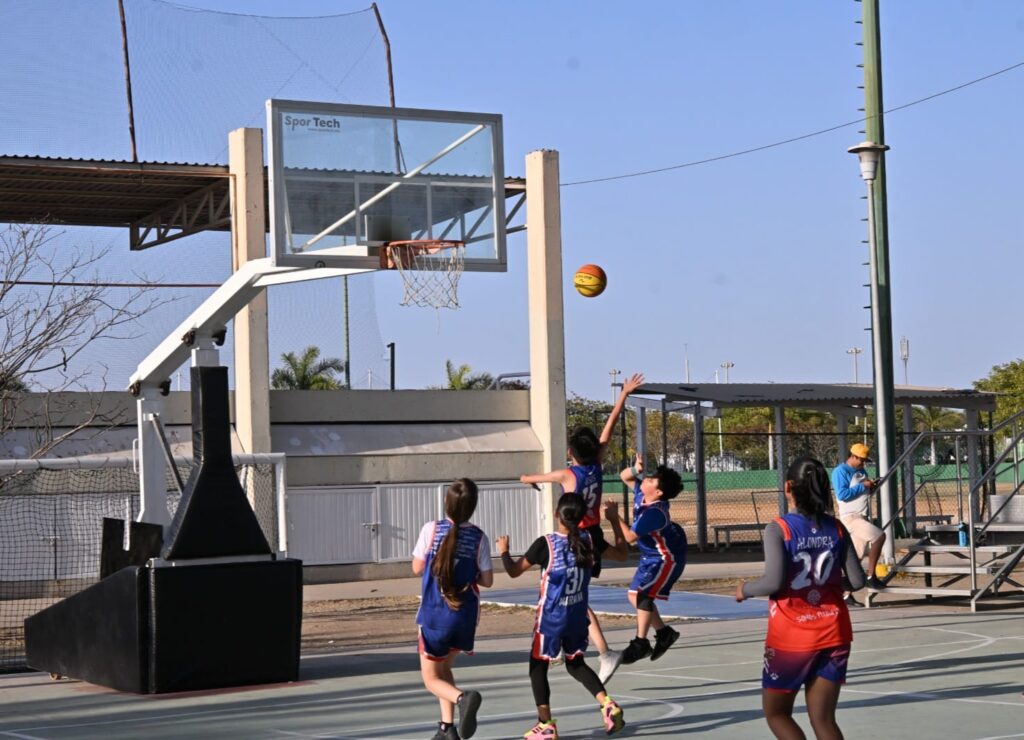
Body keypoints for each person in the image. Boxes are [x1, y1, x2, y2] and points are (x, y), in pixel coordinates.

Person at [519, 372, 643, 683]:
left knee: (573, 596)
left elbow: (531, 476)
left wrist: (526, 480)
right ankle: (571, 646)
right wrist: (623, 395)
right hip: (592, 534)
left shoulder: (567, 475)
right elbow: (609, 428)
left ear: (571, 453)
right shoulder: (597, 464)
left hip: (578, 536)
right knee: (573, 593)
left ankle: (604, 651)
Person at [736, 457, 866, 740]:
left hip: (792, 636)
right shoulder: (837, 527)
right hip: (834, 631)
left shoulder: (779, 529)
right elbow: (858, 581)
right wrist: (830, 585)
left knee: (777, 714)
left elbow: (773, 582)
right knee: (824, 719)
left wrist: (745, 589)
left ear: (787, 487)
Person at [497, 494, 626, 739]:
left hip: (552, 619)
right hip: (577, 615)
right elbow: (622, 553)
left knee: (538, 666)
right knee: (575, 663)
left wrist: (504, 552)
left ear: (557, 513)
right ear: (581, 517)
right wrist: (613, 520)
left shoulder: (545, 544)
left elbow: (513, 571)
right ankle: (607, 704)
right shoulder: (590, 540)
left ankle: (545, 725)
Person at [413, 478, 493, 740]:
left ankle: (463, 698)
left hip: (435, 615)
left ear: (446, 501)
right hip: (464, 617)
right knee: (444, 669)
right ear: (473, 506)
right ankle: (446, 728)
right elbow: (487, 580)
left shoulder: (432, 530)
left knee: (430, 678)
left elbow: (416, 567)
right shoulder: (479, 537)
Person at [606, 454, 687, 664]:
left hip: (666, 559)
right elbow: (625, 476)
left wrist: (615, 517)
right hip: (650, 557)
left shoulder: (655, 513)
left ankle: (640, 643)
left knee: (643, 596)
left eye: (651, 480)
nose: (646, 480)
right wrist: (636, 469)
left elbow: (630, 537)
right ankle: (664, 633)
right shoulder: (643, 494)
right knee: (634, 596)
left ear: (658, 492)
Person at [831, 443, 887, 594]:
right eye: (861, 460)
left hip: (862, 515)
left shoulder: (861, 470)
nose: (863, 463)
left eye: (865, 460)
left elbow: (862, 491)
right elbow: (842, 494)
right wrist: (864, 486)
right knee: (879, 536)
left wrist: (871, 486)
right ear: (853, 456)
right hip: (850, 517)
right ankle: (871, 576)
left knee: (857, 555)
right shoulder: (840, 471)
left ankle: (845, 594)